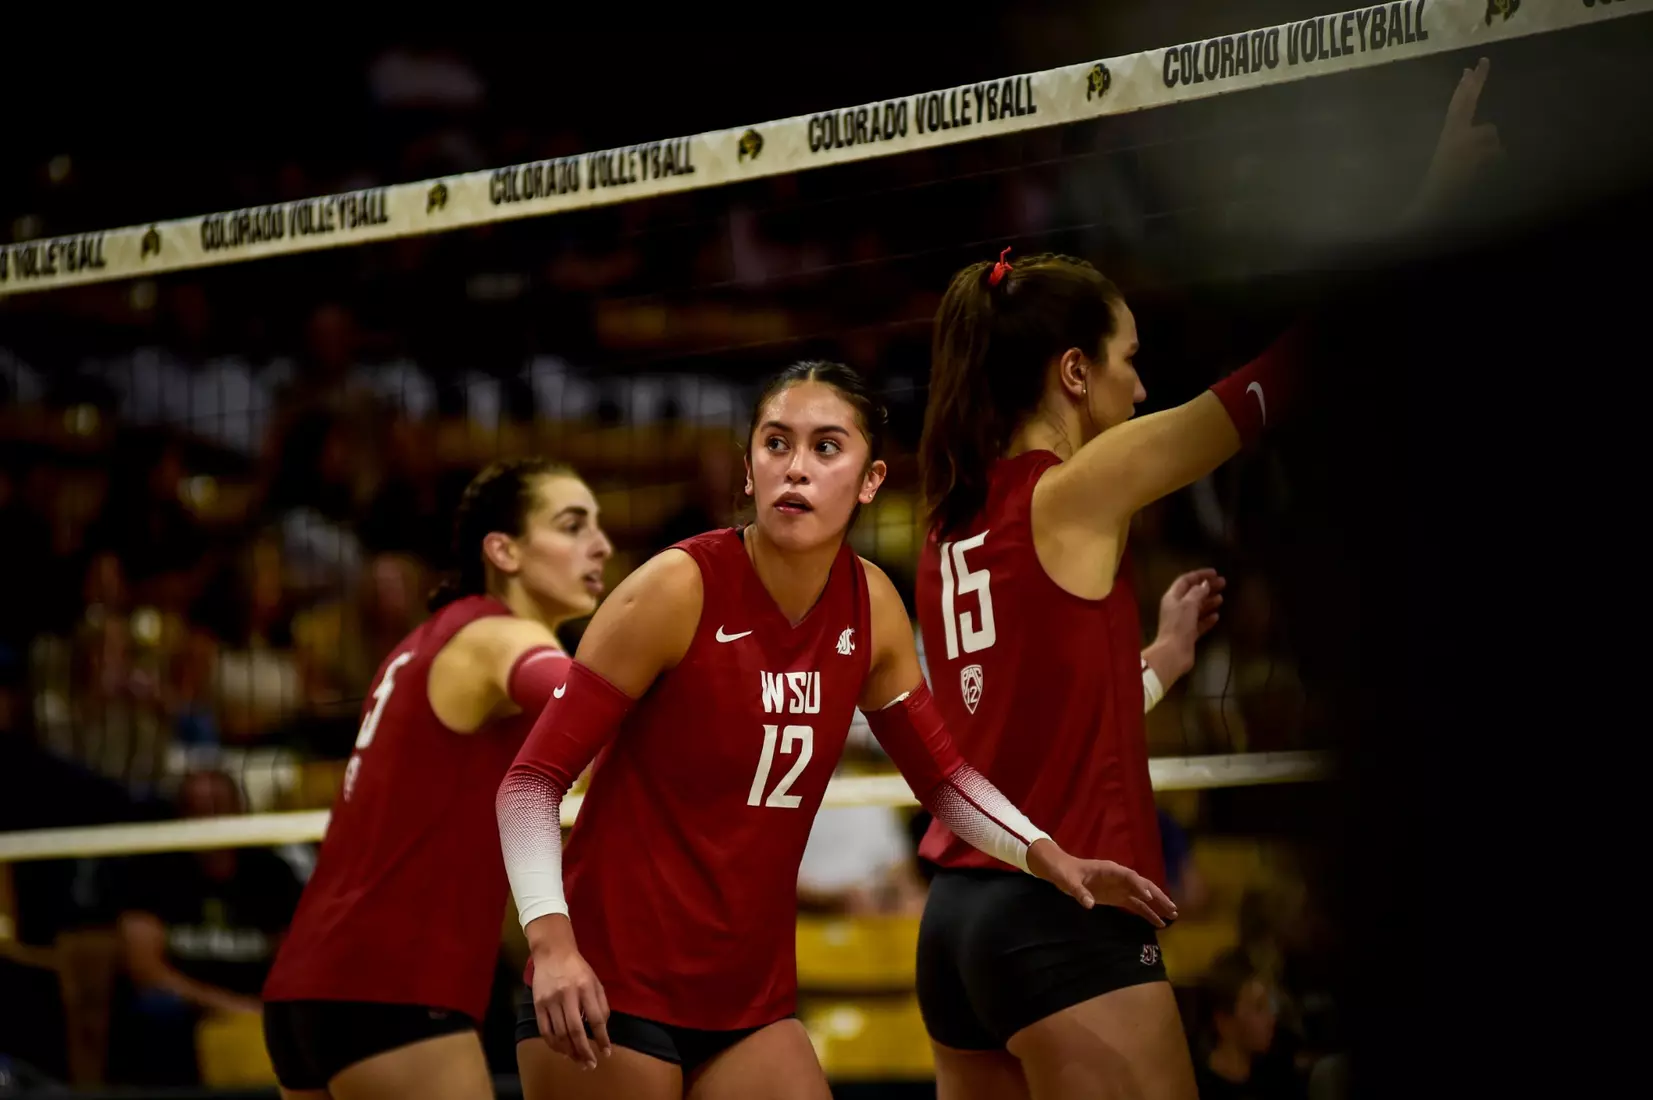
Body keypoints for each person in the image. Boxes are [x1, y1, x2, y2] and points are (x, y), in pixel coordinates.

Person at [909, 57, 1500, 1100]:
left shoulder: (948, 520)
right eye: (1131, 358)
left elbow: (1021, 723)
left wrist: (1158, 669)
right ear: (1072, 372)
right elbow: (1276, 385)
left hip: (958, 925)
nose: (1144, 384)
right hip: (1069, 917)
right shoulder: (1078, 486)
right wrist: (1435, 211)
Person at [497, 361, 1176, 1100]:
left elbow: (943, 780)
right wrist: (552, 944)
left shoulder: (871, 604)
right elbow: (530, 781)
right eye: (775, 444)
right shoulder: (676, 587)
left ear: (871, 479)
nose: (795, 468)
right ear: (749, 470)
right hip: (605, 984)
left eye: (826, 447)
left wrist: (1050, 857)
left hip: (746, 1002)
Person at [260, 458, 612, 1100]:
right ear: (503, 551)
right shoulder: (502, 637)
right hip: (392, 990)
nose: (601, 544)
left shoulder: (425, 641)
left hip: (306, 988)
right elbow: (588, 707)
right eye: (572, 524)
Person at [112, 770, 304, 1086]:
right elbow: (146, 970)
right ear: (181, 815)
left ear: (239, 811)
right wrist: (229, 1006)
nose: (210, 819)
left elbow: (295, 959)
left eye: (219, 807)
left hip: (257, 1003)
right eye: (198, 809)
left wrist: (266, 1007)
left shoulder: (271, 873)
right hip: (187, 1005)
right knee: (157, 1009)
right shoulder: (153, 873)